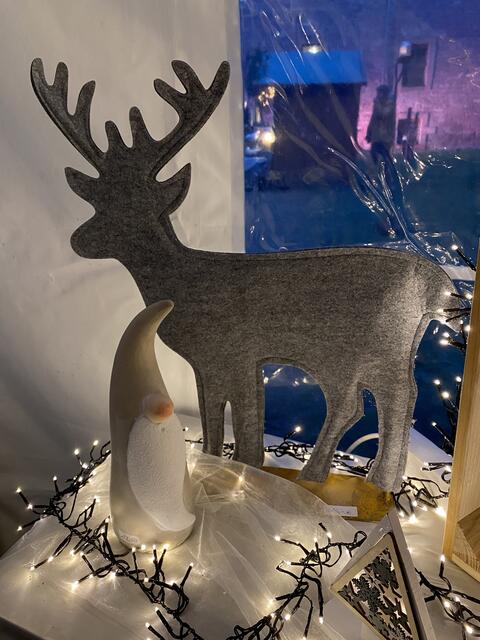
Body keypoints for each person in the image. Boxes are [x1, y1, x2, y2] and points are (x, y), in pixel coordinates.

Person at [366, 85, 396, 169]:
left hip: (385, 137)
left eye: (380, 92)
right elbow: (373, 119)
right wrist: (369, 133)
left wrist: (377, 103)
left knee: (386, 157)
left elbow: (383, 114)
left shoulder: (390, 104)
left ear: (385, 93)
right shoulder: (377, 104)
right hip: (376, 136)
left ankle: (388, 172)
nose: (378, 95)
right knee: (374, 153)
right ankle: (377, 171)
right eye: (378, 92)